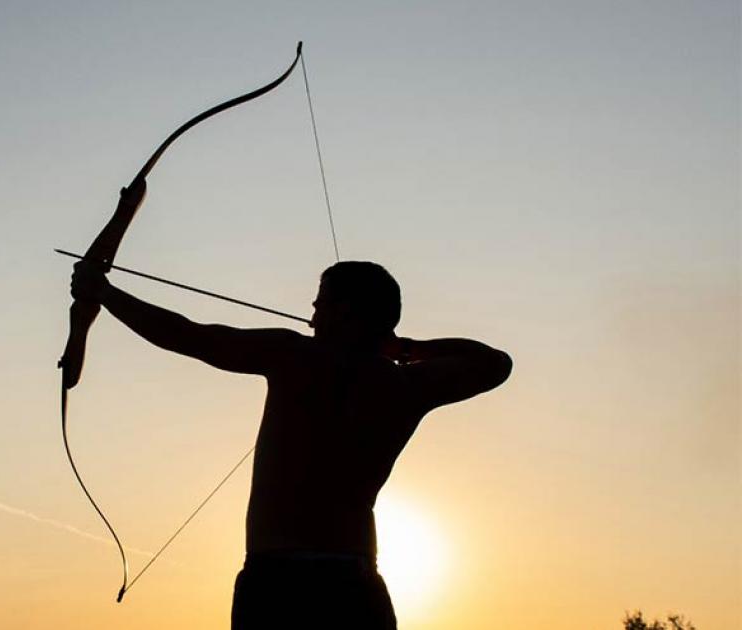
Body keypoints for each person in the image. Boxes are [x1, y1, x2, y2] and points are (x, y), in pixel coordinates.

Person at [69, 184, 513, 629]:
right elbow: (495, 363)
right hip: (354, 582)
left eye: (321, 303)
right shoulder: (407, 383)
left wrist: (104, 294)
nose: (312, 314)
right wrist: (411, 348)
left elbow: (187, 336)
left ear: (344, 311)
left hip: (277, 584)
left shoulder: (293, 355)